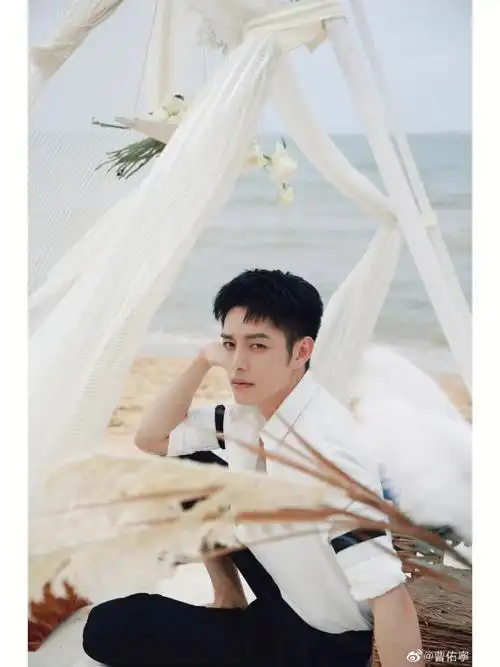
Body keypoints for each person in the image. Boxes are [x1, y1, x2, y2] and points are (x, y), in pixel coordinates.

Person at [82, 269, 422, 667]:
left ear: (301, 352)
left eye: (257, 346)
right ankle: (228, 596)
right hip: (283, 584)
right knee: (187, 463)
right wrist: (202, 360)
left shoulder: (326, 456)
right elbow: (153, 439)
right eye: (230, 344)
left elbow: (391, 599)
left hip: (321, 642)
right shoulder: (248, 413)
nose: (237, 364)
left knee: (107, 628)